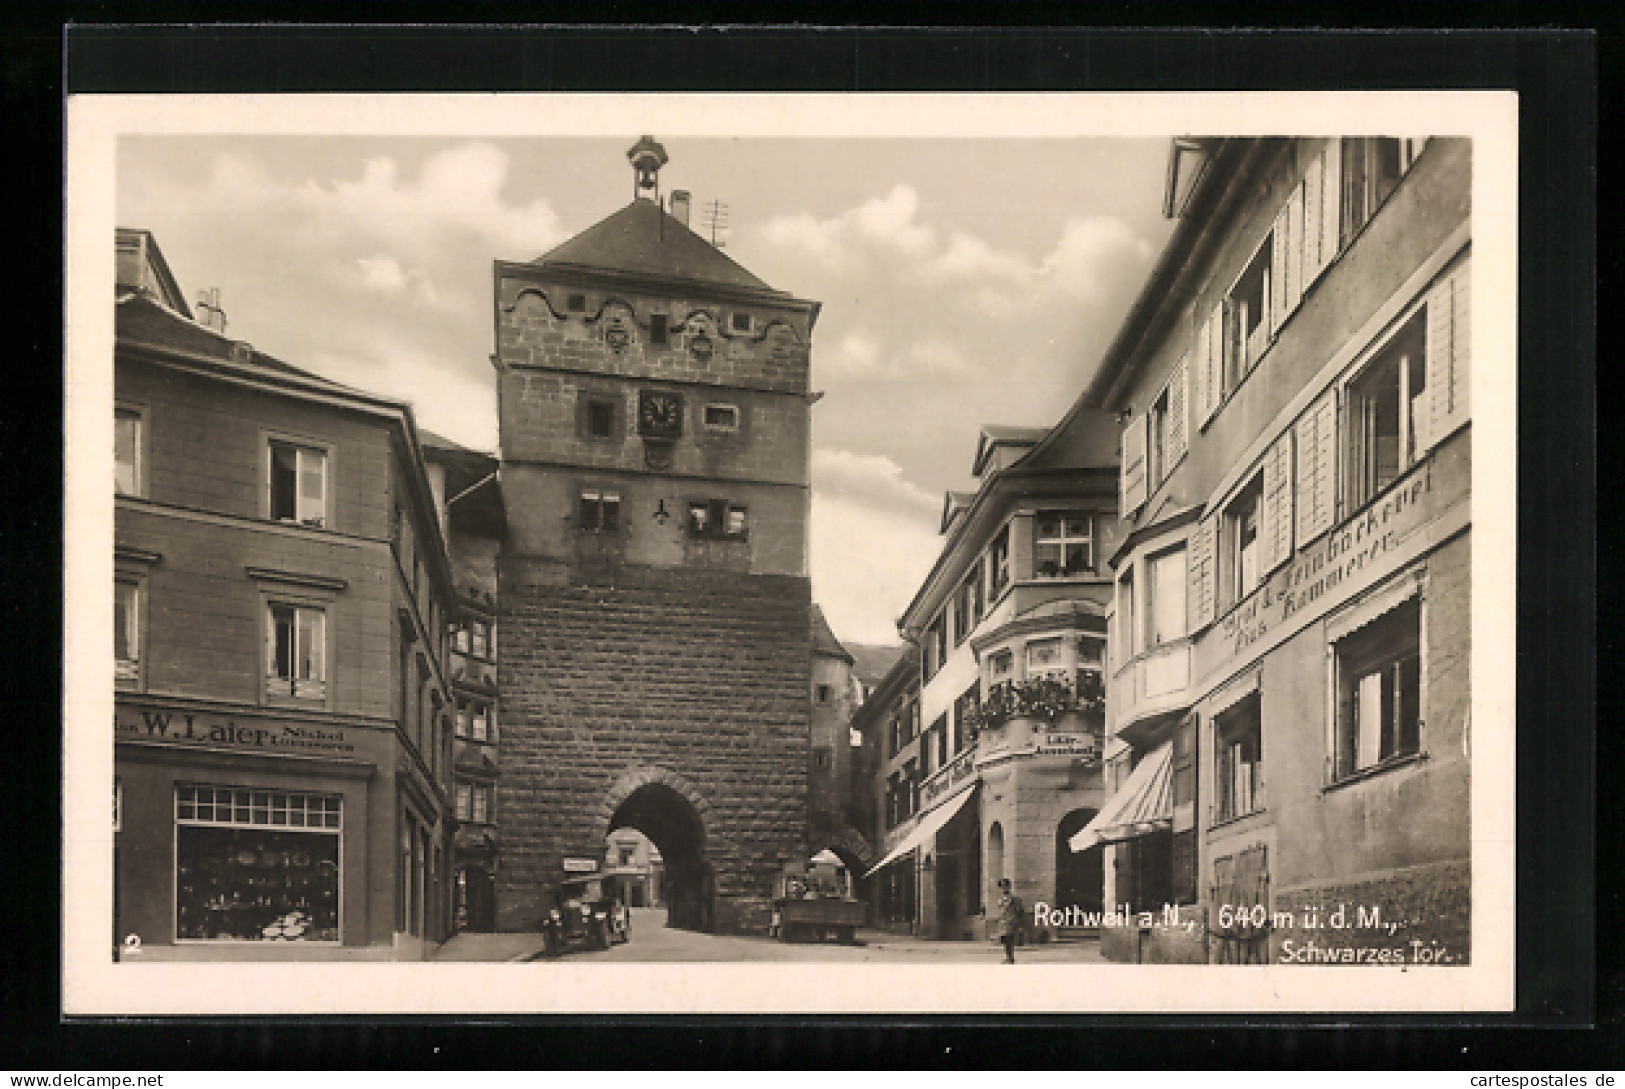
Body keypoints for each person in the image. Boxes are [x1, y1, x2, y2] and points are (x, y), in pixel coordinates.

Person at [995, 878, 1023, 964]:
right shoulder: (1001, 899)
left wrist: (1019, 922)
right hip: (1003, 922)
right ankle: (1008, 957)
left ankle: (1010, 957)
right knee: (1004, 940)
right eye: (1002, 887)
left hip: (1011, 921)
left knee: (1009, 940)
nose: (1003, 889)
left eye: (1005, 886)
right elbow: (1001, 910)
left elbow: (1019, 910)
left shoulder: (1014, 898)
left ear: (1009, 887)